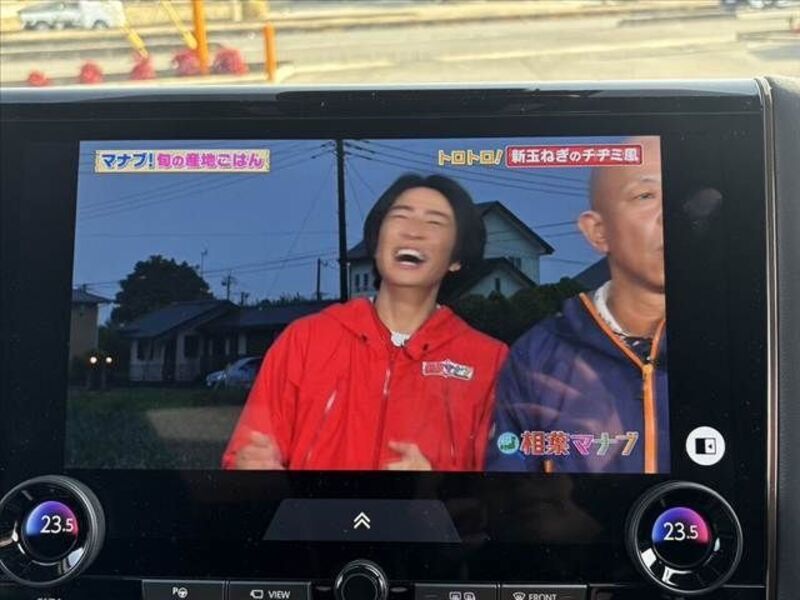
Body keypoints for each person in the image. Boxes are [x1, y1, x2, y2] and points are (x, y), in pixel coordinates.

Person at [223, 174, 508, 472]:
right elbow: (243, 457)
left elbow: (509, 486)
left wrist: (437, 490)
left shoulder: (490, 362)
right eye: (400, 216)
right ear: (377, 241)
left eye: (434, 223)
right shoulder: (304, 340)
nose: (413, 232)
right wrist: (250, 469)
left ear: (457, 258)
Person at [486, 136, 669, 474]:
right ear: (597, 231)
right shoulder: (536, 357)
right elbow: (508, 485)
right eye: (646, 195)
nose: (669, 214)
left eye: (686, 198)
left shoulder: (744, 336)